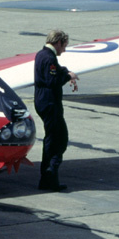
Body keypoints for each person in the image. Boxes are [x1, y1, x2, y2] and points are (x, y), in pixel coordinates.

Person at [33, 29, 78, 191]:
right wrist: (67, 77)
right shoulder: (49, 58)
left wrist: (66, 72)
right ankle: (49, 175)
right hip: (50, 103)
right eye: (64, 46)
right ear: (58, 42)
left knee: (54, 138)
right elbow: (53, 80)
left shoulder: (41, 54)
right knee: (58, 138)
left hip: (43, 102)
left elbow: (56, 70)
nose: (64, 50)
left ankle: (49, 176)